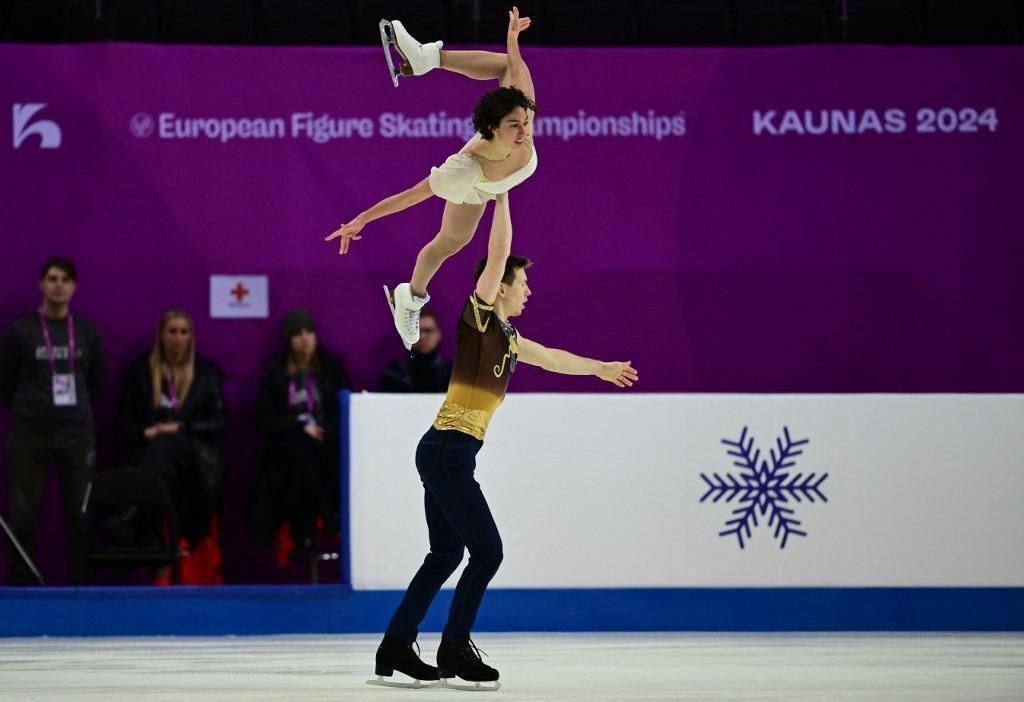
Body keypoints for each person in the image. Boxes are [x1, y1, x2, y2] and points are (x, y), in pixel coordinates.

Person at [370, 194, 638, 690]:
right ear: (501, 288)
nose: (529, 290)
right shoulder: (479, 323)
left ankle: (396, 645)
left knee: (446, 554)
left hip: (444, 451)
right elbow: (497, 254)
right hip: (448, 451)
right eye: (524, 282)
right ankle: (454, 646)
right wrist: (505, 190)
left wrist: (599, 368)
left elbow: (554, 358)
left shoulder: (509, 339)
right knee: (487, 552)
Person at [326, 7, 537, 351]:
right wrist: (361, 220)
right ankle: (411, 298)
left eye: (525, 122)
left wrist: (512, 39)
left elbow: (512, 68)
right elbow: (410, 196)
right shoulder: (464, 168)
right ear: (493, 129)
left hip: (494, 183)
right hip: (478, 186)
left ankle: (428, 57)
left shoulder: (522, 112)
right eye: (515, 126)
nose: (525, 131)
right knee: (448, 244)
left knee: (508, 67)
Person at [0, 256, 106, 585]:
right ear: (41, 284)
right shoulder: (21, 331)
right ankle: (21, 587)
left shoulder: (88, 332)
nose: (58, 285)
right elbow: (6, 382)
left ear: (74, 287)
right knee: (22, 516)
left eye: (65, 280)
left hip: (77, 436)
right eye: (52, 278)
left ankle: (80, 587)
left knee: (80, 516)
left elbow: (97, 384)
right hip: (30, 435)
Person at [117, 309, 226, 552]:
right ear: (161, 336)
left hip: (193, 452)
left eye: (184, 332)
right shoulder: (143, 373)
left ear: (191, 337)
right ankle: (157, 542)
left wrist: (182, 427)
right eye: (172, 331)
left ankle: (134, 511)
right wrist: (146, 433)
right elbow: (124, 423)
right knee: (160, 452)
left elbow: (219, 422)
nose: (178, 338)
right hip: (150, 448)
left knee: (166, 444)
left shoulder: (206, 375)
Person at [247, 309, 351, 552]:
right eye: (297, 334)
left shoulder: (331, 367)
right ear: (289, 340)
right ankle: (324, 512)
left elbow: (346, 410)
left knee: (306, 461)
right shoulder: (276, 372)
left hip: (327, 447)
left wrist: (324, 429)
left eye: (308, 332)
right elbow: (263, 419)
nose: (304, 339)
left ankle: (303, 531)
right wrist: (299, 427)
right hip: (286, 450)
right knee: (298, 447)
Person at [378, 308, 452, 393]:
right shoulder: (393, 376)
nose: (422, 337)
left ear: (438, 334)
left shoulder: (453, 378)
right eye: (416, 331)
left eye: (428, 331)